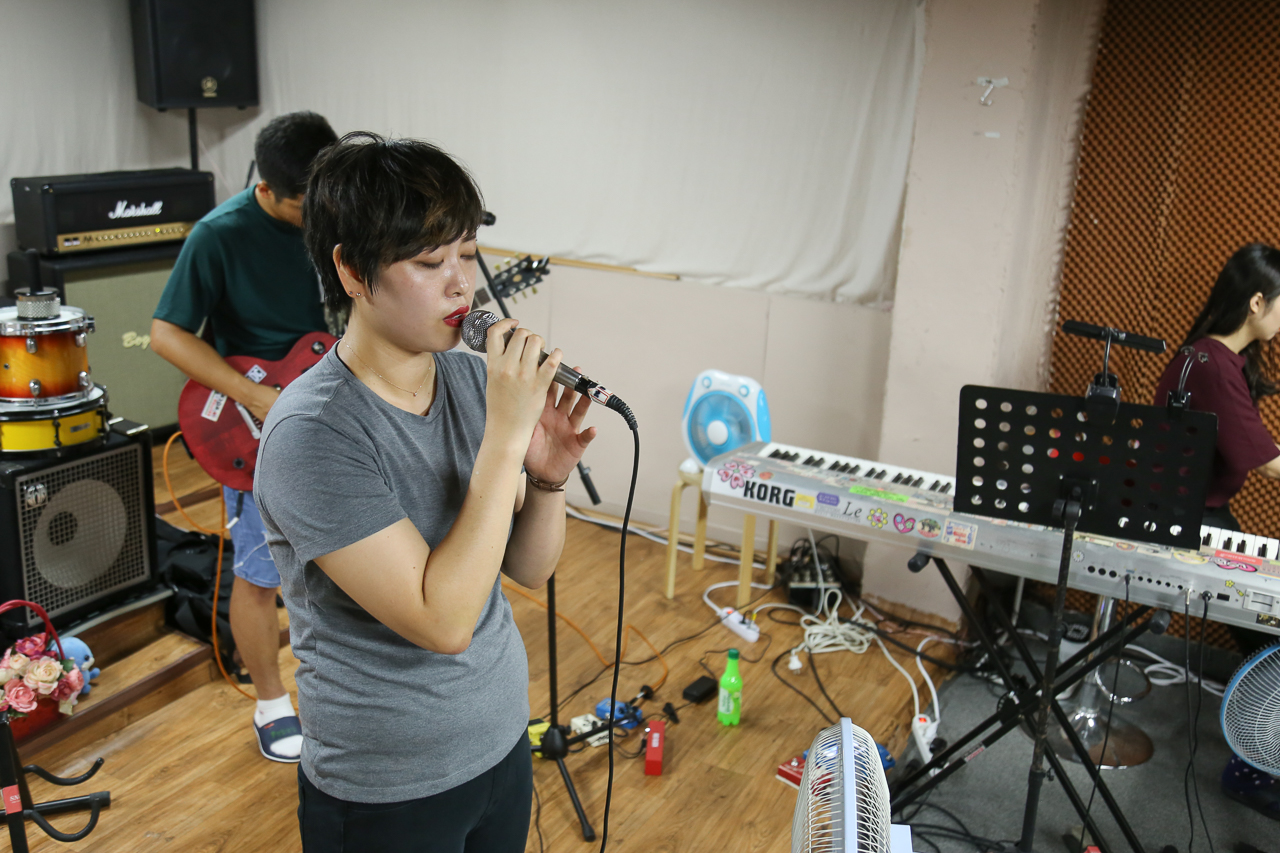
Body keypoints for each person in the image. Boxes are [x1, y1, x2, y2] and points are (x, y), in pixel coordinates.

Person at [253, 132, 597, 852]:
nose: (461, 285)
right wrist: (504, 439)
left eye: (467, 254)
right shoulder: (313, 433)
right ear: (352, 271)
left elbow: (528, 569)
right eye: (429, 262)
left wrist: (546, 478)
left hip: (500, 743)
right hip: (388, 785)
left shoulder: (470, 381)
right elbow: (443, 622)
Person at [151, 111, 338, 763]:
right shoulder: (219, 235)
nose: (320, 218)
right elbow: (166, 333)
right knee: (259, 573)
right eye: (305, 207)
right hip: (257, 424)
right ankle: (271, 704)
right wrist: (254, 394)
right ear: (266, 189)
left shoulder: (339, 219)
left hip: (332, 414)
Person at [1153, 241, 1280, 820]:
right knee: (1271, 637)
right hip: (1192, 525)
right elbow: (1267, 462)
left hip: (1204, 518)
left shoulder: (1214, 358)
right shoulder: (1211, 363)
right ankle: (1252, 768)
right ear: (1257, 302)